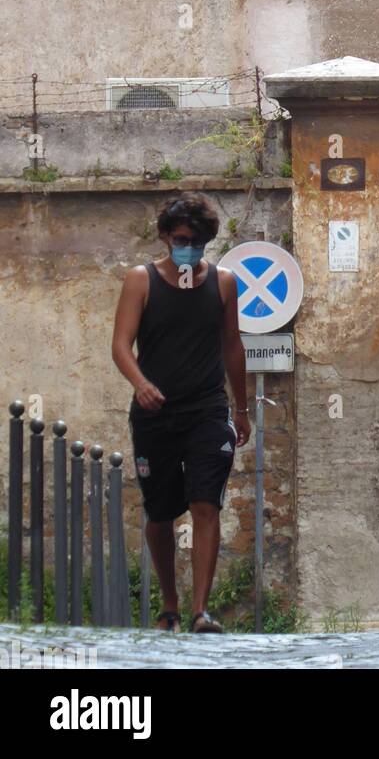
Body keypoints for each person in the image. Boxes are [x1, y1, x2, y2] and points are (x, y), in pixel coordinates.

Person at [112, 192, 250, 633]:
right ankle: (169, 602)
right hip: (156, 414)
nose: (187, 248)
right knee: (160, 512)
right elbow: (120, 345)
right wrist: (141, 383)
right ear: (165, 238)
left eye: (196, 241)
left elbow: (233, 345)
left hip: (208, 410)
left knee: (205, 503)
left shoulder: (224, 283)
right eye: (180, 239)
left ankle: (199, 611)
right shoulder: (141, 280)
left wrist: (241, 408)